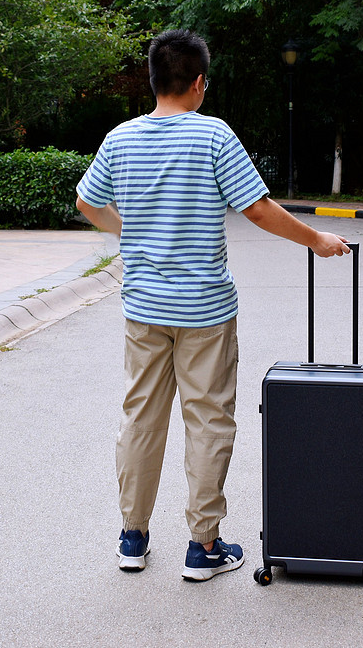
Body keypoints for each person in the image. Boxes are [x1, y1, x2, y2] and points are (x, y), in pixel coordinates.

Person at [75, 29, 349, 582]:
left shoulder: (120, 138)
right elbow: (257, 208)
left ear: (154, 79)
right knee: (207, 422)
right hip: (205, 312)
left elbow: (87, 201)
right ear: (198, 82)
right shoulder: (213, 136)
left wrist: (129, 231)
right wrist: (316, 240)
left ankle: (132, 537)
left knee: (141, 419)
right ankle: (203, 547)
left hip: (144, 309)